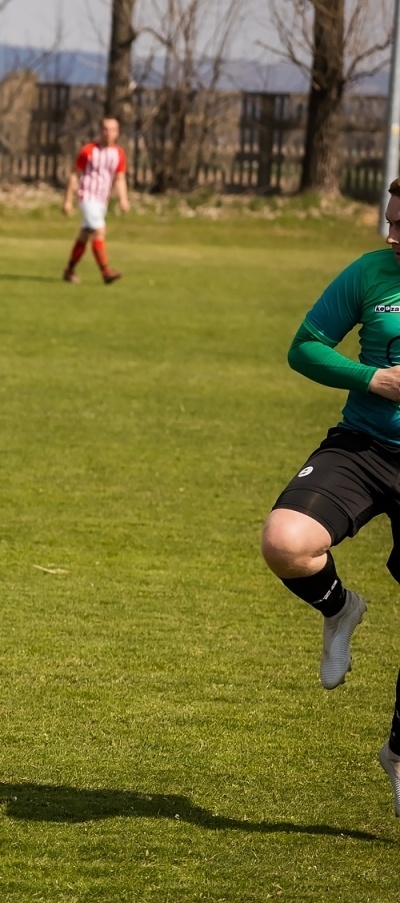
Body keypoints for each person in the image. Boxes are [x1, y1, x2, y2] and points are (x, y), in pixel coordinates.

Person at [262, 181, 400, 818]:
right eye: (390, 222)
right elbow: (304, 347)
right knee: (286, 543)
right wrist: (372, 378)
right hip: (364, 444)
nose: (392, 236)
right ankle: (340, 608)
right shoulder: (371, 272)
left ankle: (399, 751)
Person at [62, 116, 129, 285]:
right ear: (100, 131)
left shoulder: (118, 154)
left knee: (84, 235)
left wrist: (123, 199)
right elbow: (74, 174)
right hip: (87, 196)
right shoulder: (88, 151)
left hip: (101, 200)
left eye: (112, 130)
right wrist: (68, 200)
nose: (108, 133)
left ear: (117, 133)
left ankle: (69, 271)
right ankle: (106, 272)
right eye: (105, 129)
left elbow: (120, 178)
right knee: (99, 231)